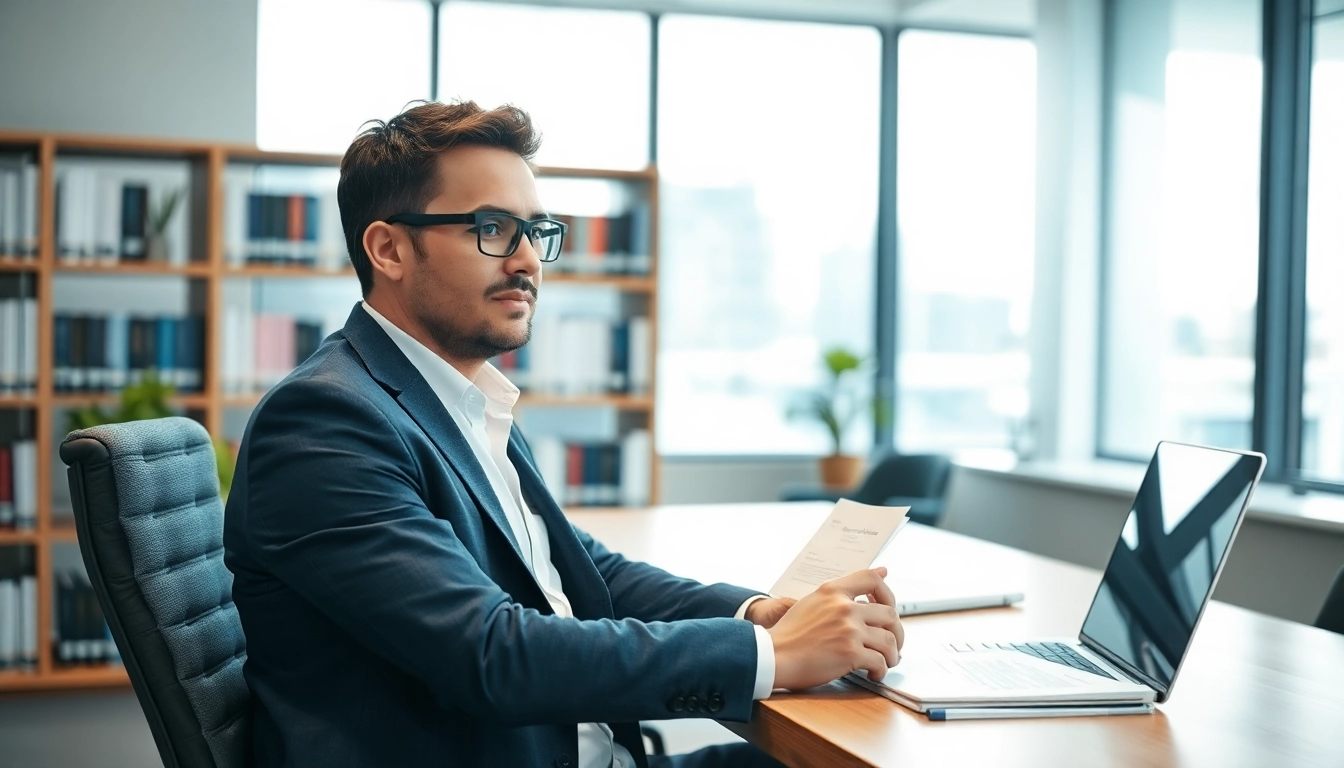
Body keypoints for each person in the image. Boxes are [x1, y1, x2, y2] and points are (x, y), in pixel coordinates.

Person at [222, 100, 904, 768]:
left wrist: (758, 616)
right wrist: (772, 658)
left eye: (536, 231)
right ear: (389, 248)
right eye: (492, 228)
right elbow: (489, 654)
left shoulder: (460, 398)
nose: (526, 260)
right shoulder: (325, 421)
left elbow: (580, 570)